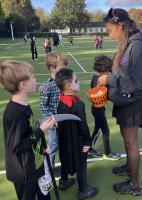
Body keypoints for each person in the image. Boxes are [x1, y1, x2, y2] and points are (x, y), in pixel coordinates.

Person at [98, 8, 142, 196]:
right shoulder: (128, 43)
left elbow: (135, 82)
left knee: (130, 142)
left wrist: (108, 80)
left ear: (120, 25)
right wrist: (109, 78)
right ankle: (129, 167)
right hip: (125, 101)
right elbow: (124, 73)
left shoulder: (136, 46)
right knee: (126, 138)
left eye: (110, 30)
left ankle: (134, 185)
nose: (109, 34)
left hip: (133, 102)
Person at [0, 60, 56, 200]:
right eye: (33, 76)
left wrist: (43, 144)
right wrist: (41, 131)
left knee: (44, 195)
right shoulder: (15, 113)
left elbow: (28, 130)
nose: (35, 79)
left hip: (34, 163)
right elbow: (17, 146)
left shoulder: (24, 104)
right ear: (23, 85)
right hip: (24, 172)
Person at [55, 68, 99, 199]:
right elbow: (83, 127)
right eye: (76, 80)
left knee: (64, 159)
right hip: (78, 142)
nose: (78, 82)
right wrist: (88, 142)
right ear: (68, 86)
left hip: (64, 141)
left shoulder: (60, 101)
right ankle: (83, 191)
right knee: (81, 165)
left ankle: (63, 181)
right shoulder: (78, 104)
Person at [40, 52, 68, 175]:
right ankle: (48, 171)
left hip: (65, 119)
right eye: (62, 68)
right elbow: (43, 107)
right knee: (53, 145)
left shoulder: (63, 82)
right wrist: (52, 120)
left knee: (64, 144)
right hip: (54, 122)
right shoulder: (47, 86)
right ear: (52, 69)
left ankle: (64, 169)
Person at [88, 54, 121, 160]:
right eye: (108, 71)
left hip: (98, 109)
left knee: (97, 129)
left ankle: (89, 147)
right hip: (98, 110)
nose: (109, 74)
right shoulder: (98, 80)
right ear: (103, 70)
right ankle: (107, 153)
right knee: (105, 130)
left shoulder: (96, 77)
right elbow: (106, 93)